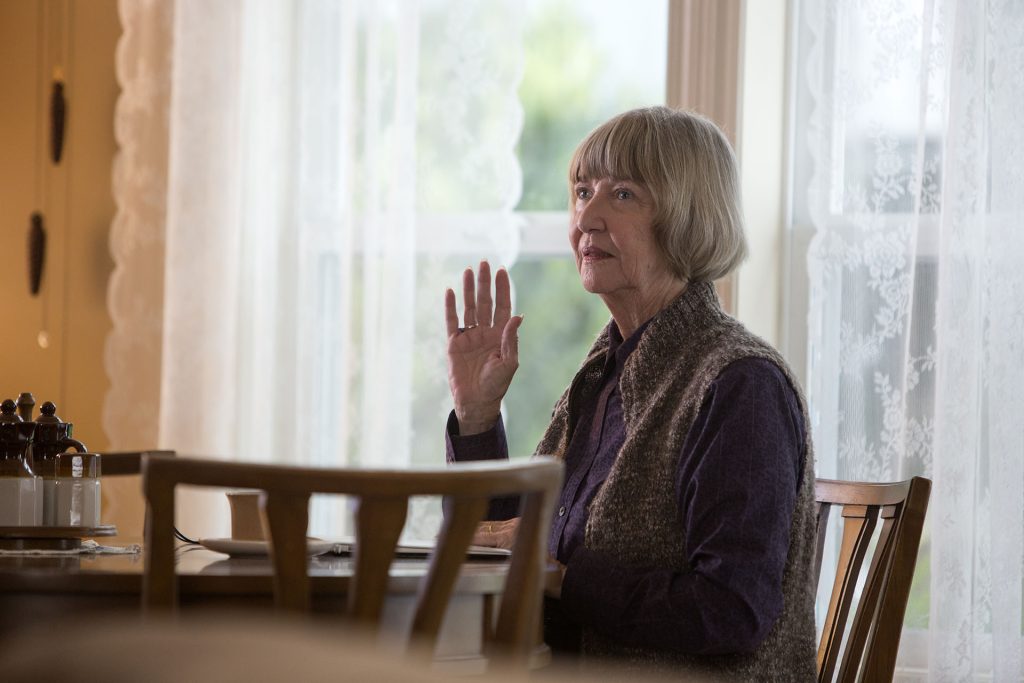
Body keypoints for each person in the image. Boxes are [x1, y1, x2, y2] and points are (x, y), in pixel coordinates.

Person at [443, 107, 817, 680]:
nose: (585, 217)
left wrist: (565, 576)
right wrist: (476, 417)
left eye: (622, 194)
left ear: (689, 216)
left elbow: (731, 610)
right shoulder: (603, 373)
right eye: (581, 192)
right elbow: (503, 548)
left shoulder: (741, 384)